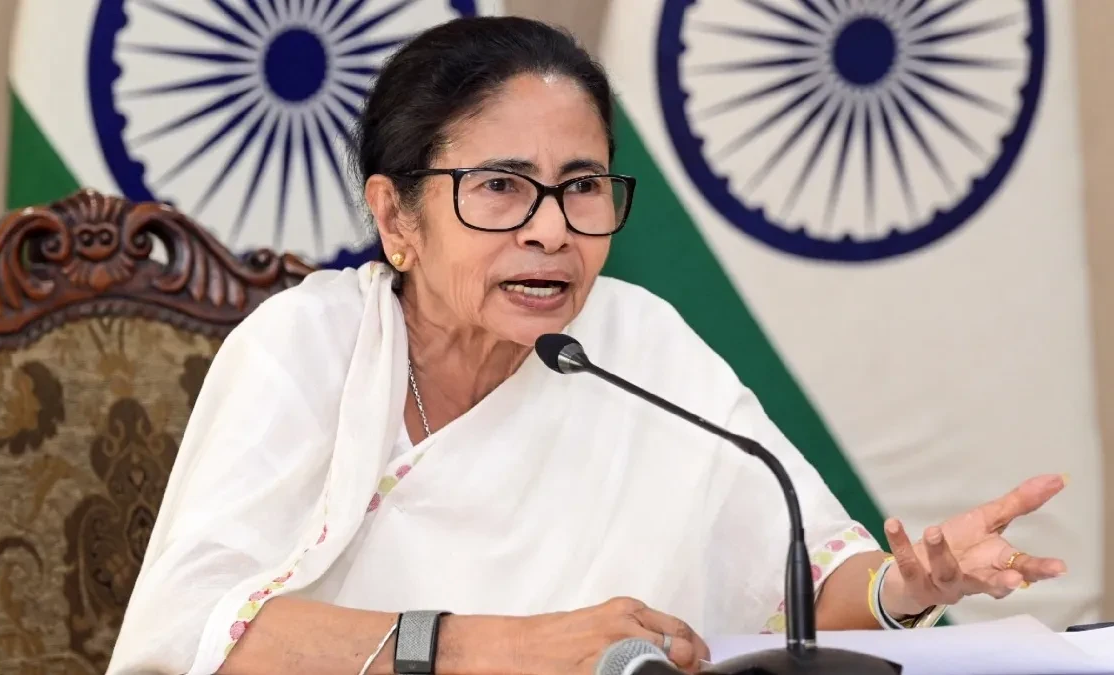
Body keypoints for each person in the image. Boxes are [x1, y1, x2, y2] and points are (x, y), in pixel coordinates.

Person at [107, 16, 1069, 675]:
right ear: (395, 216)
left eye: (582, 186)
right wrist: (500, 648)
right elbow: (193, 639)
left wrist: (909, 584)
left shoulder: (637, 341)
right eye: (500, 186)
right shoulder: (305, 349)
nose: (551, 229)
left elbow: (800, 583)